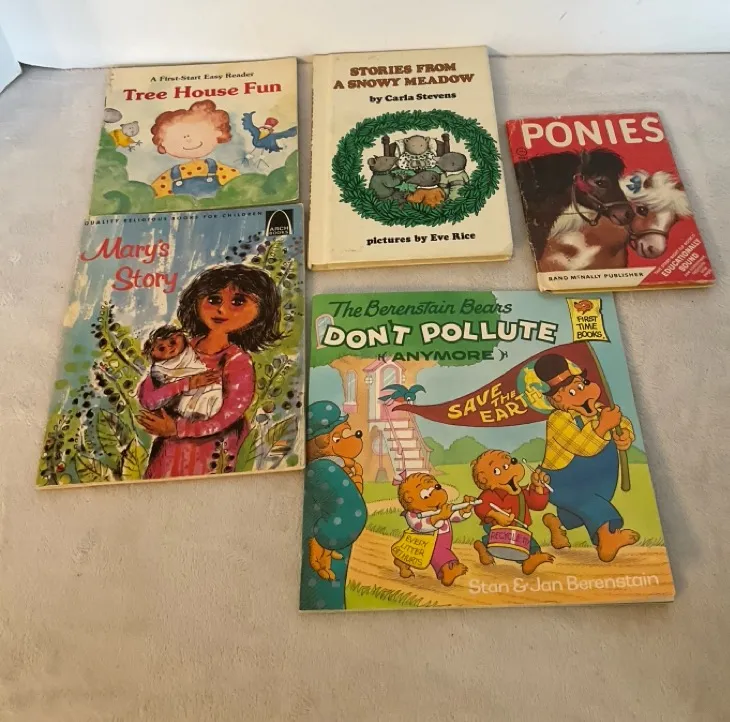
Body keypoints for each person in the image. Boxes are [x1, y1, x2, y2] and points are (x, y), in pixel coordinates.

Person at [136, 264, 282, 479]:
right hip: (170, 446)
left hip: (213, 448)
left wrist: (178, 429)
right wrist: (183, 386)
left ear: (260, 312)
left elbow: (229, 414)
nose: (222, 310)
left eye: (238, 302)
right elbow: (148, 396)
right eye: (213, 300)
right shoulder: (176, 347)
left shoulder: (237, 361)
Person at [149, 100, 240, 199]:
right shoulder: (171, 176)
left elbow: (237, 187)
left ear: (217, 133)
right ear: (163, 142)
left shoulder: (220, 170)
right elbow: (157, 196)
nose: (188, 140)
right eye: (178, 136)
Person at [143, 325, 222, 420]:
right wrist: (188, 383)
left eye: (172, 342)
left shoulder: (196, 350)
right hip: (183, 408)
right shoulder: (157, 372)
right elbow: (148, 401)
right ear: (152, 354)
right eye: (161, 349)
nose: (169, 347)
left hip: (212, 392)